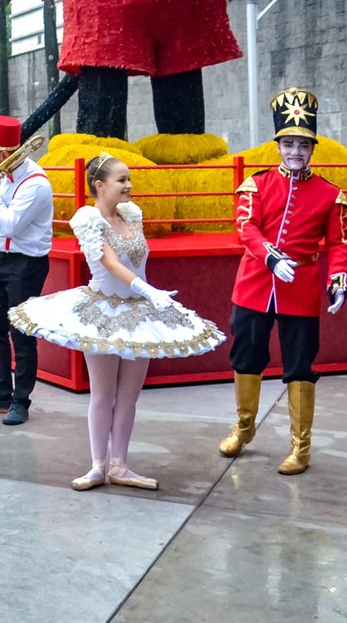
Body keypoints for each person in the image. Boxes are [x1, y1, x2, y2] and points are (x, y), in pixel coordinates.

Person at [11, 154, 226, 490]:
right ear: (100, 184)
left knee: (129, 396)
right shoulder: (88, 219)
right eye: (121, 180)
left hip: (140, 313)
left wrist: (147, 295)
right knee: (103, 393)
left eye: (129, 179)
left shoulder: (131, 214)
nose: (129, 185)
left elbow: (136, 259)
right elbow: (110, 264)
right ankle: (97, 465)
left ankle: (120, 465)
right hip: (103, 313)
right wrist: (147, 289)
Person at [219, 87, 347, 475]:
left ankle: (300, 447)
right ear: (278, 146)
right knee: (246, 357)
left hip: (302, 290)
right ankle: (244, 429)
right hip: (255, 285)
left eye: (303, 145)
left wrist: (338, 281)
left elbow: (339, 243)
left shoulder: (329, 194)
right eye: (289, 144)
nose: (296, 151)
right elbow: (246, 227)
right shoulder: (256, 185)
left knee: (299, 365)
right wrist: (271, 256)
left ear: (313, 149)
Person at [0, 103, 54, 426]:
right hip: (0, 261)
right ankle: (0, 392)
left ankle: (21, 400)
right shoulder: (3, 177)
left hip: (26, 265)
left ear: (5, 154)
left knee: (22, 333)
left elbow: (11, 224)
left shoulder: (35, 184)